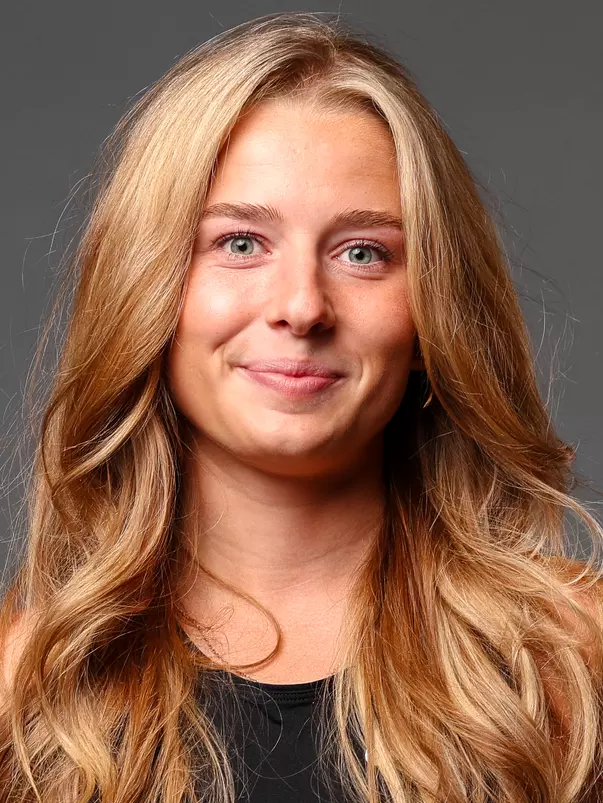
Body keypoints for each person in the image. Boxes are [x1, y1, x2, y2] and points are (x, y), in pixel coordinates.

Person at [0, 10, 602, 803]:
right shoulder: (24, 682)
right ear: (145, 288)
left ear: (431, 315)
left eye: (363, 252)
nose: (301, 306)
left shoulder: (571, 656)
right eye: (239, 243)